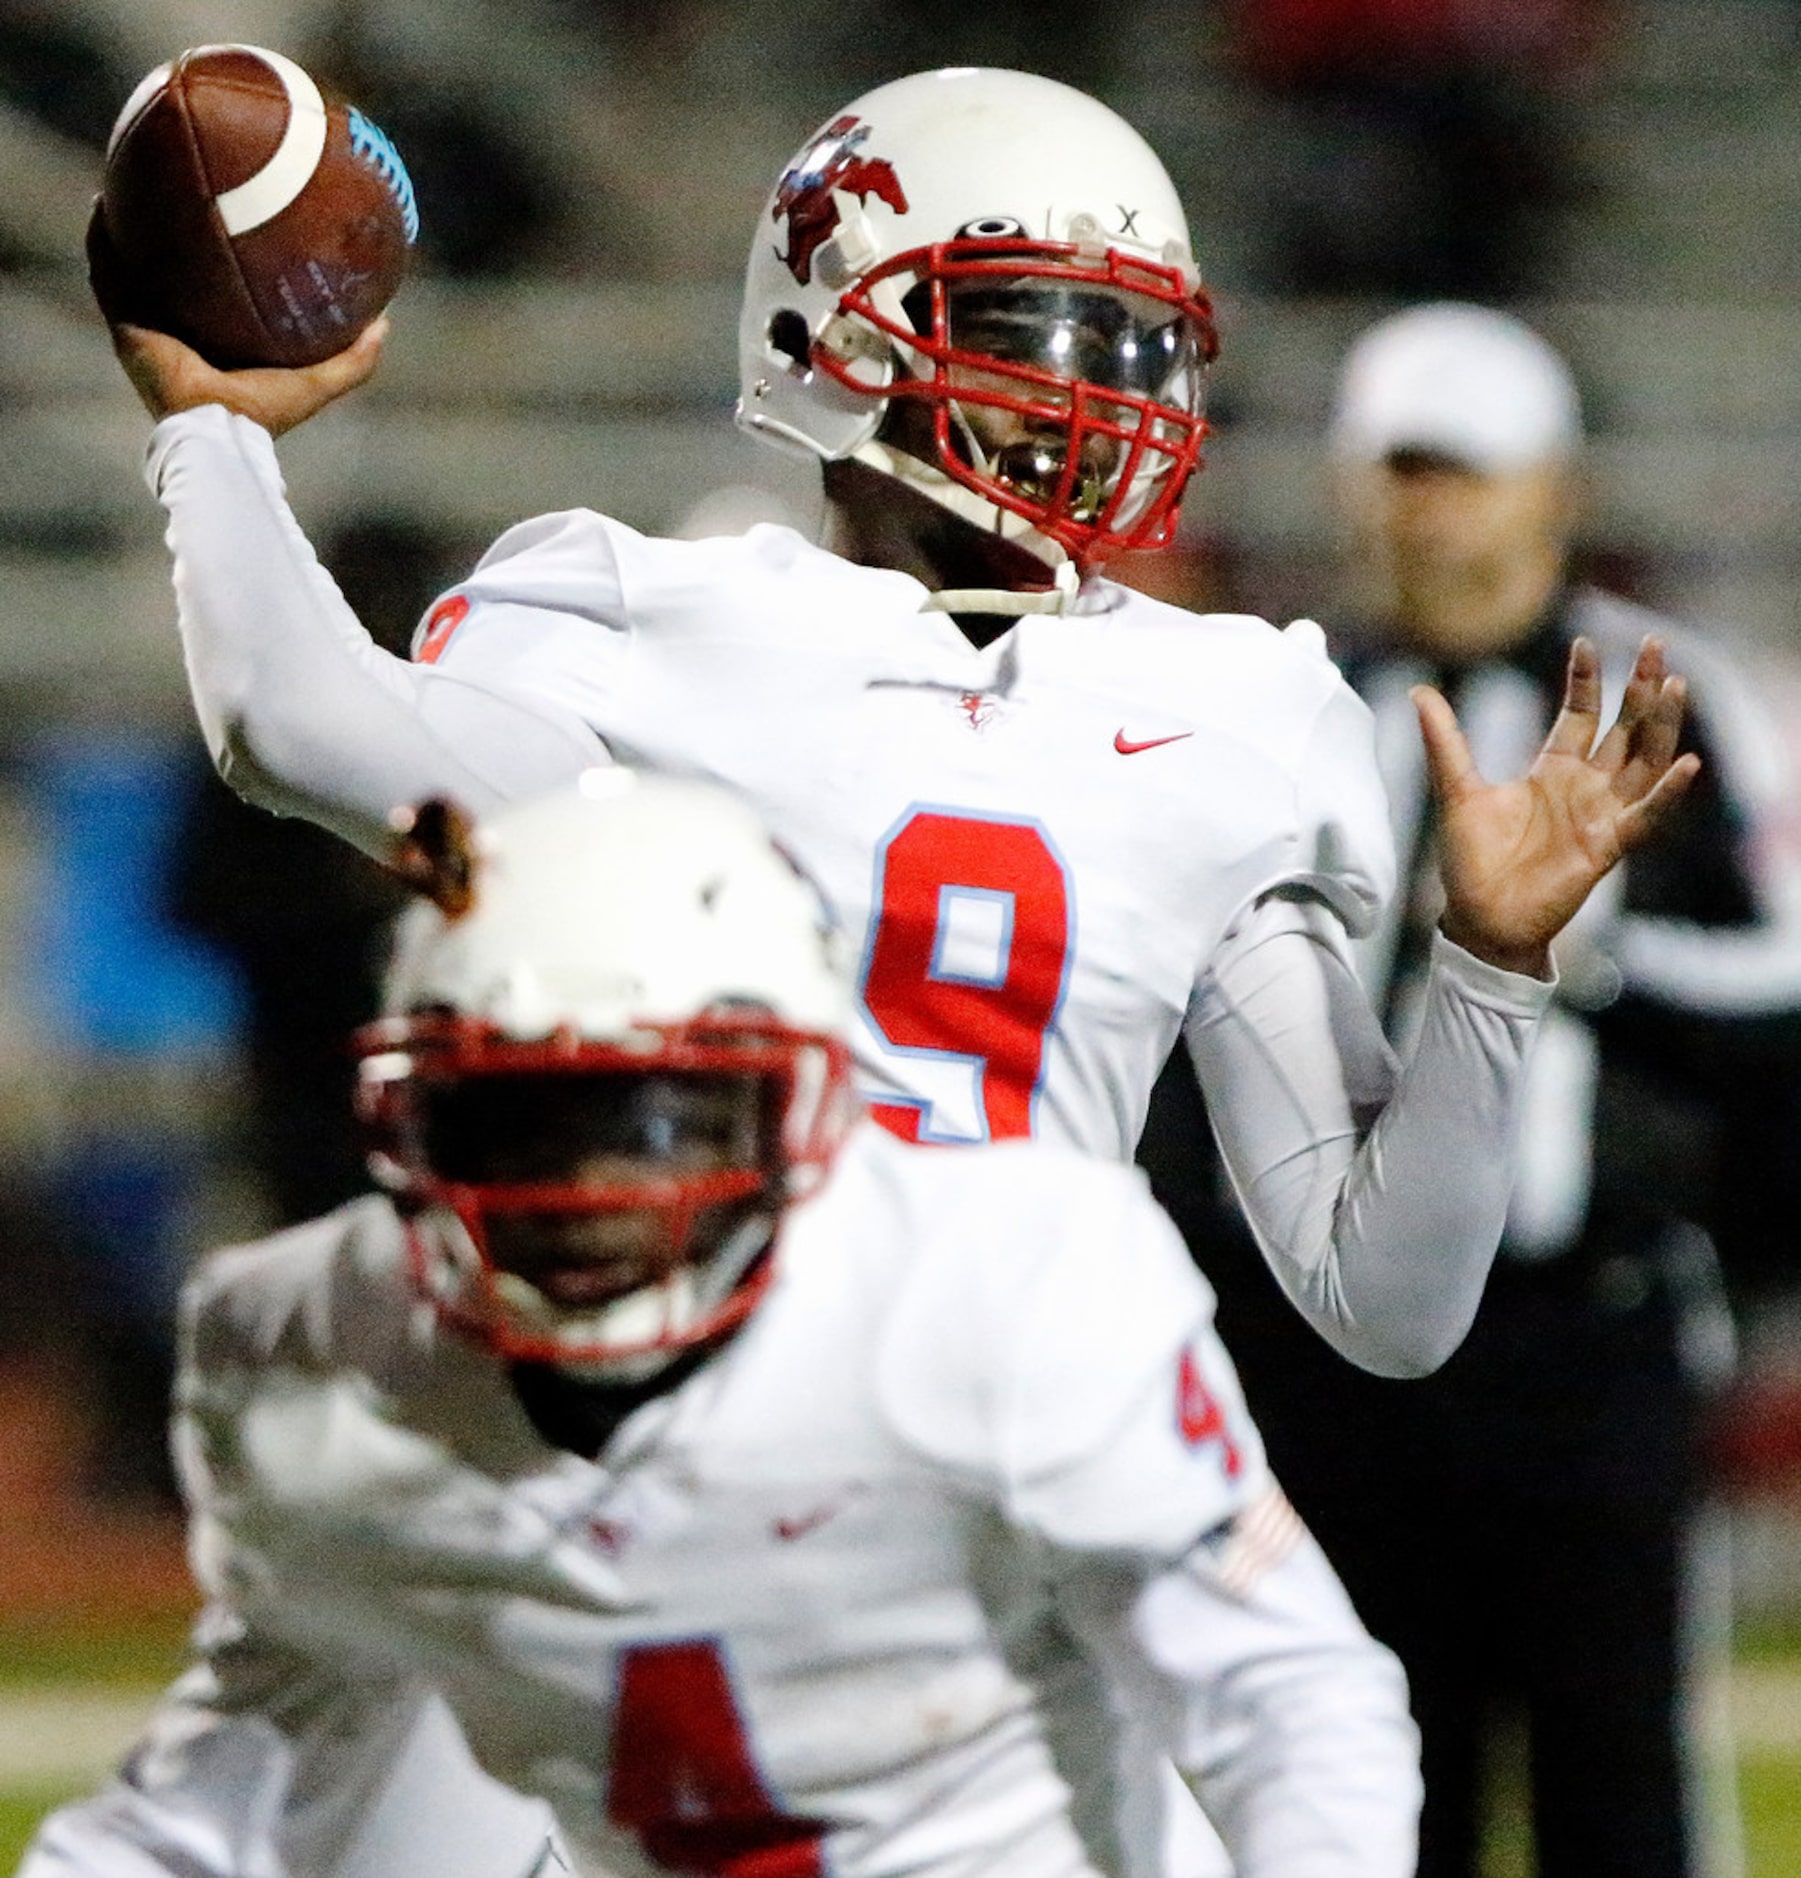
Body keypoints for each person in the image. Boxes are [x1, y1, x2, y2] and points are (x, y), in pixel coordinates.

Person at [92, 65, 1693, 1385]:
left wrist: (1488, 966)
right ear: (831, 332)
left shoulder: (1234, 709)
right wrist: (213, 439)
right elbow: (291, 723)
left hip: (1048, 1482)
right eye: (1031, 334)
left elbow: (1382, 1298)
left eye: (1125, 343)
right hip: (715, 1450)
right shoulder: (657, 624)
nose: (1096, 392)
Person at [20, 773, 1422, 1878]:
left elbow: (1287, 1696)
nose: (586, 1190)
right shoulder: (321, 1355)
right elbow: (227, 1802)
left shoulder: (1000, 1287)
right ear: (412, 1121)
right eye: (520, 1117)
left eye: (656, 1120)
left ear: (801, 1105)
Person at [1145, 302, 1801, 1878]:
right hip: (1313, 1349)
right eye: (1403, 472)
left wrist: (1588, 966)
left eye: (1466, 473)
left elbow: (1781, 996)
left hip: (1582, 1334)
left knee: (1613, 1784)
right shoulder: (1274, 698)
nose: (1431, 511)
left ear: (1553, 490)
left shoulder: (1678, 701)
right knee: (1349, 1775)